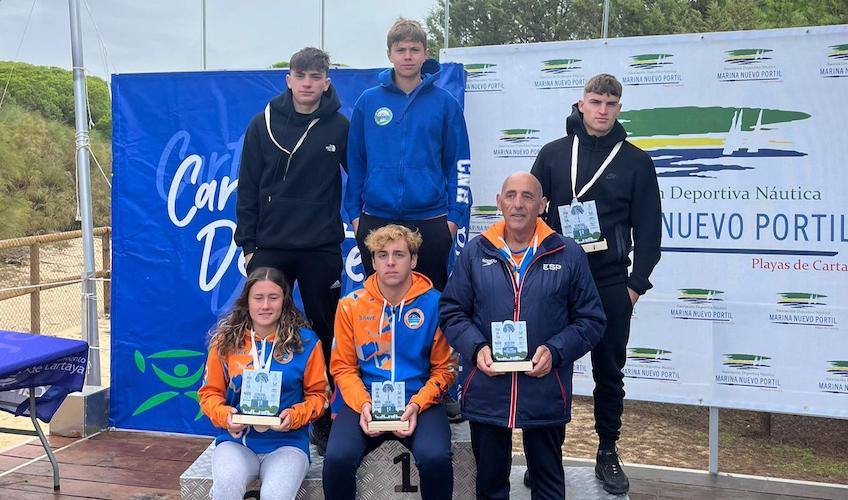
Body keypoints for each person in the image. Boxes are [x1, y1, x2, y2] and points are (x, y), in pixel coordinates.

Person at [530, 73, 662, 495]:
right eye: (595, 101)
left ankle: (607, 450)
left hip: (608, 282)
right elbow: (527, 215)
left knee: (609, 371)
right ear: (581, 104)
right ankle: (548, 454)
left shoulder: (636, 161)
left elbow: (649, 232)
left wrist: (634, 285)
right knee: (549, 366)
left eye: (611, 103)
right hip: (555, 277)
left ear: (619, 108)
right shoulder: (552, 154)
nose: (603, 109)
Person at [440, 172, 606, 500]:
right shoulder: (475, 252)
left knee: (547, 484)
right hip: (488, 388)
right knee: (490, 485)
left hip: (544, 389)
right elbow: (451, 311)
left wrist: (556, 351)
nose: (519, 204)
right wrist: (476, 349)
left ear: (542, 205)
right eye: (511, 195)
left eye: (528, 196)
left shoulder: (568, 253)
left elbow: (591, 319)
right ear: (499, 203)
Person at [234, 47, 348, 453]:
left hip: (320, 247)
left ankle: (325, 417)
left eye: (315, 76)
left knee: (328, 331)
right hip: (270, 246)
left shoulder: (340, 126)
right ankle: (250, 412)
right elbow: (246, 187)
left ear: (326, 82)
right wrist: (248, 246)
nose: (307, 83)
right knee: (259, 327)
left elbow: (367, 178)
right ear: (288, 78)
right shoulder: (261, 123)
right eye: (300, 75)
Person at [323, 225, 456, 500]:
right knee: (336, 459)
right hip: (366, 400)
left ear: (414, 260)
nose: (391, 262)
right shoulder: (351, 305)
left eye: (399, 254)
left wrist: (418, 404)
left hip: (418, 400)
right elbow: (343, 368)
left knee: (435, 458)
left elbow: (445, 369)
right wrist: (363, 404)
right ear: (372, 262)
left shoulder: (436, 304)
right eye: (382, 255)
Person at [344, 17, 472, 291]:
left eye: (414, 49)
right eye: (400, 50)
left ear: (425, 53)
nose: (408, 57)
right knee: (377, 301)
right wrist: (356, 216)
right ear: (389, 54)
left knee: (430, 301)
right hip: (376, 218)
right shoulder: (368, 102)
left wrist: (453, 219)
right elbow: (356, 163)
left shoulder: (445, 104)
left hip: (431, 220)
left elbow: (459, 164)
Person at [199, 267, 330, 499]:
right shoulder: (226, 341)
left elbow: (320, 395)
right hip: (237, 442)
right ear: (246, 301)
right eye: (258, 298)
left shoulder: (306, 342)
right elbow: (210, 393)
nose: (265, 306)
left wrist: (294, 416)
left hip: (287, 444)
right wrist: (224, 416)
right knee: (226, 488)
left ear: (285, 301)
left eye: (273, 298)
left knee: (275, 496)